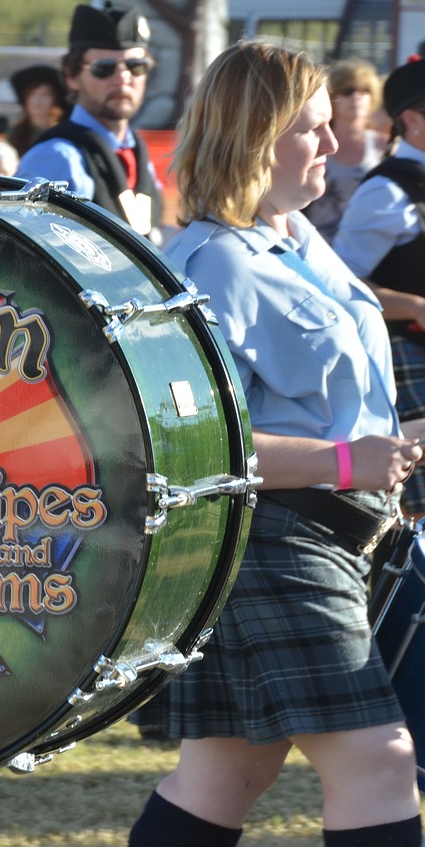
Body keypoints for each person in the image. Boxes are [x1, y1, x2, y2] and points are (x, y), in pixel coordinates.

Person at [128, 40, 423, 847]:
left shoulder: (294, 235)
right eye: (313, 128)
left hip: (330, 531)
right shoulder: (205, 261)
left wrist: (396, 441)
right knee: (379, 760)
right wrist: (342, 461)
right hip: (272, 539)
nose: (335, 144)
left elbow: (338, 394)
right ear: (256, 136)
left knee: (226, 773)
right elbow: (183, 444)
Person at [332, 56, 425, 518]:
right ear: (412, 119)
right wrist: (414, 305)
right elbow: (342, 287)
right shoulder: (386, 191)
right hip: (409, 357)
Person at [15, 3, 162, 242]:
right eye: (104, 68)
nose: (123, 78)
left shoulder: (138, 153)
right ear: (71, 76)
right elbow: (24, 252)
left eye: (136, 67)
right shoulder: (57, 157)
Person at [301, 57, 387, 241]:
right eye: (348, 91)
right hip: (317, 243)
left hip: (367, 249)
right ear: (331, 96)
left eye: (365, 91)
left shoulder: (384, 146)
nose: (357, 97)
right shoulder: (313, 141)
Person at [6, 63, 69, 156]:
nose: (38, 100)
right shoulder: (15, 134)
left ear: (55, 100)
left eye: (45, 95)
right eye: (32, 94)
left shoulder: (65, 133)